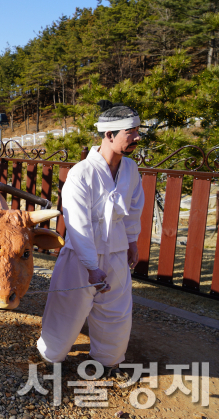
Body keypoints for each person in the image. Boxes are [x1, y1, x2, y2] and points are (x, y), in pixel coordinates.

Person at [36, 102, 145, 376]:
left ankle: (108, 359)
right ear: (109, 135)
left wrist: (132, 242)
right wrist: (90, 264)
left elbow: (133, 209)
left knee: (116, 310)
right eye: (129, 133)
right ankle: (52, 355)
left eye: (137, 131)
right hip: (80, 257)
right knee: (68, 308)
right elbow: (77, 224)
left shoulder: (131, 169)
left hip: (118, 252)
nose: (137, 138)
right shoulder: (81, 173)